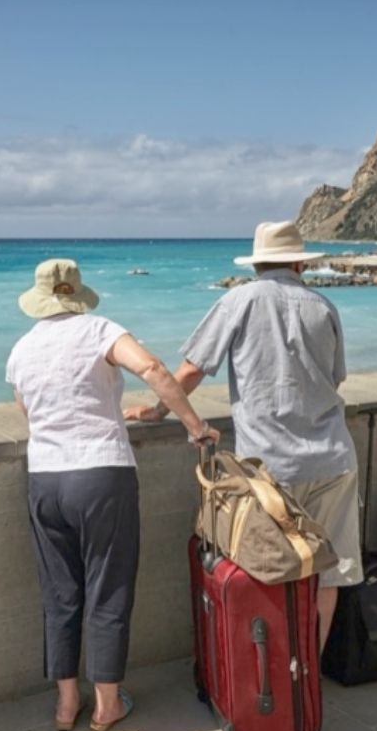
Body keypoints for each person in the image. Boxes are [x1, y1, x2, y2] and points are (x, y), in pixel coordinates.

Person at [126, 221, 362, 656]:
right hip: (333, 458)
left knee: (267, 571)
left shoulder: (238, 300)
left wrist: (158, 411)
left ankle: (273, 675)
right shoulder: (324, 306)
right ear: (299, 263)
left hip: (268, 468)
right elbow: (336, 378)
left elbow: (192, 369)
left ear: (256, 265)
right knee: (329, 573)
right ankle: (309, 673)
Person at [6, 258, 220, 731]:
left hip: (45, 478)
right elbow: (153, 368)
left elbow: (31, 412)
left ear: (39, 300)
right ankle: (106, 703)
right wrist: (195, 426)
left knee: (60, 592)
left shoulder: (21, 350)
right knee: (108, 587)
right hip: (101, 474)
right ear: (78, 294)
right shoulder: (100, 330)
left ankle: (66, 703)